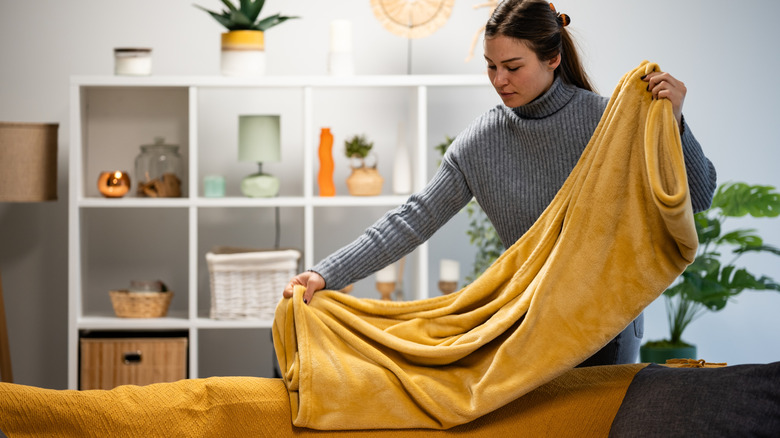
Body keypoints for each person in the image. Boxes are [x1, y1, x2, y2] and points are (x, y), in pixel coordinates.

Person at [282, 0, 717, 366]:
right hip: (528, 325)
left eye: (512, 66)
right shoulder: (482, 141)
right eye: (491, 67)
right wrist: (325, 272)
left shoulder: (611, 121)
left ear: (553, 57)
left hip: (610, 325)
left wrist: (674, 123)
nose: (499, 81)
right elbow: (411, 220)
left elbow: (698, 197)